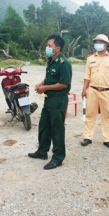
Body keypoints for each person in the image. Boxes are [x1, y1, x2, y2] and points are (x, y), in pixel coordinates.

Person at [28, 34, 72, 170]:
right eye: (47, 45)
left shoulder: (64, 63)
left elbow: (64, 84)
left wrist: (45, 88)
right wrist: (41, 83)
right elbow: (50, 78)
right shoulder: (51, 60)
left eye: (49, 46)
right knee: (44, 126)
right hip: (49, 99)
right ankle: (42, 151)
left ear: (57, 48)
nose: (47, 48)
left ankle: (58, 157)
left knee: (57, 129)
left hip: (58, 100)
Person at [80, 34, 109, 149]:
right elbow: (87, 75)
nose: (97, 44)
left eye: (100, 42)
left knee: (107, 115)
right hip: (92, 90)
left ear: (106, 44)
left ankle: (107, 139)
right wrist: (84, 89)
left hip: (106, 91)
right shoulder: (90, 58)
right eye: (96, 42)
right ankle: (87, 137)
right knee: (90, 114)